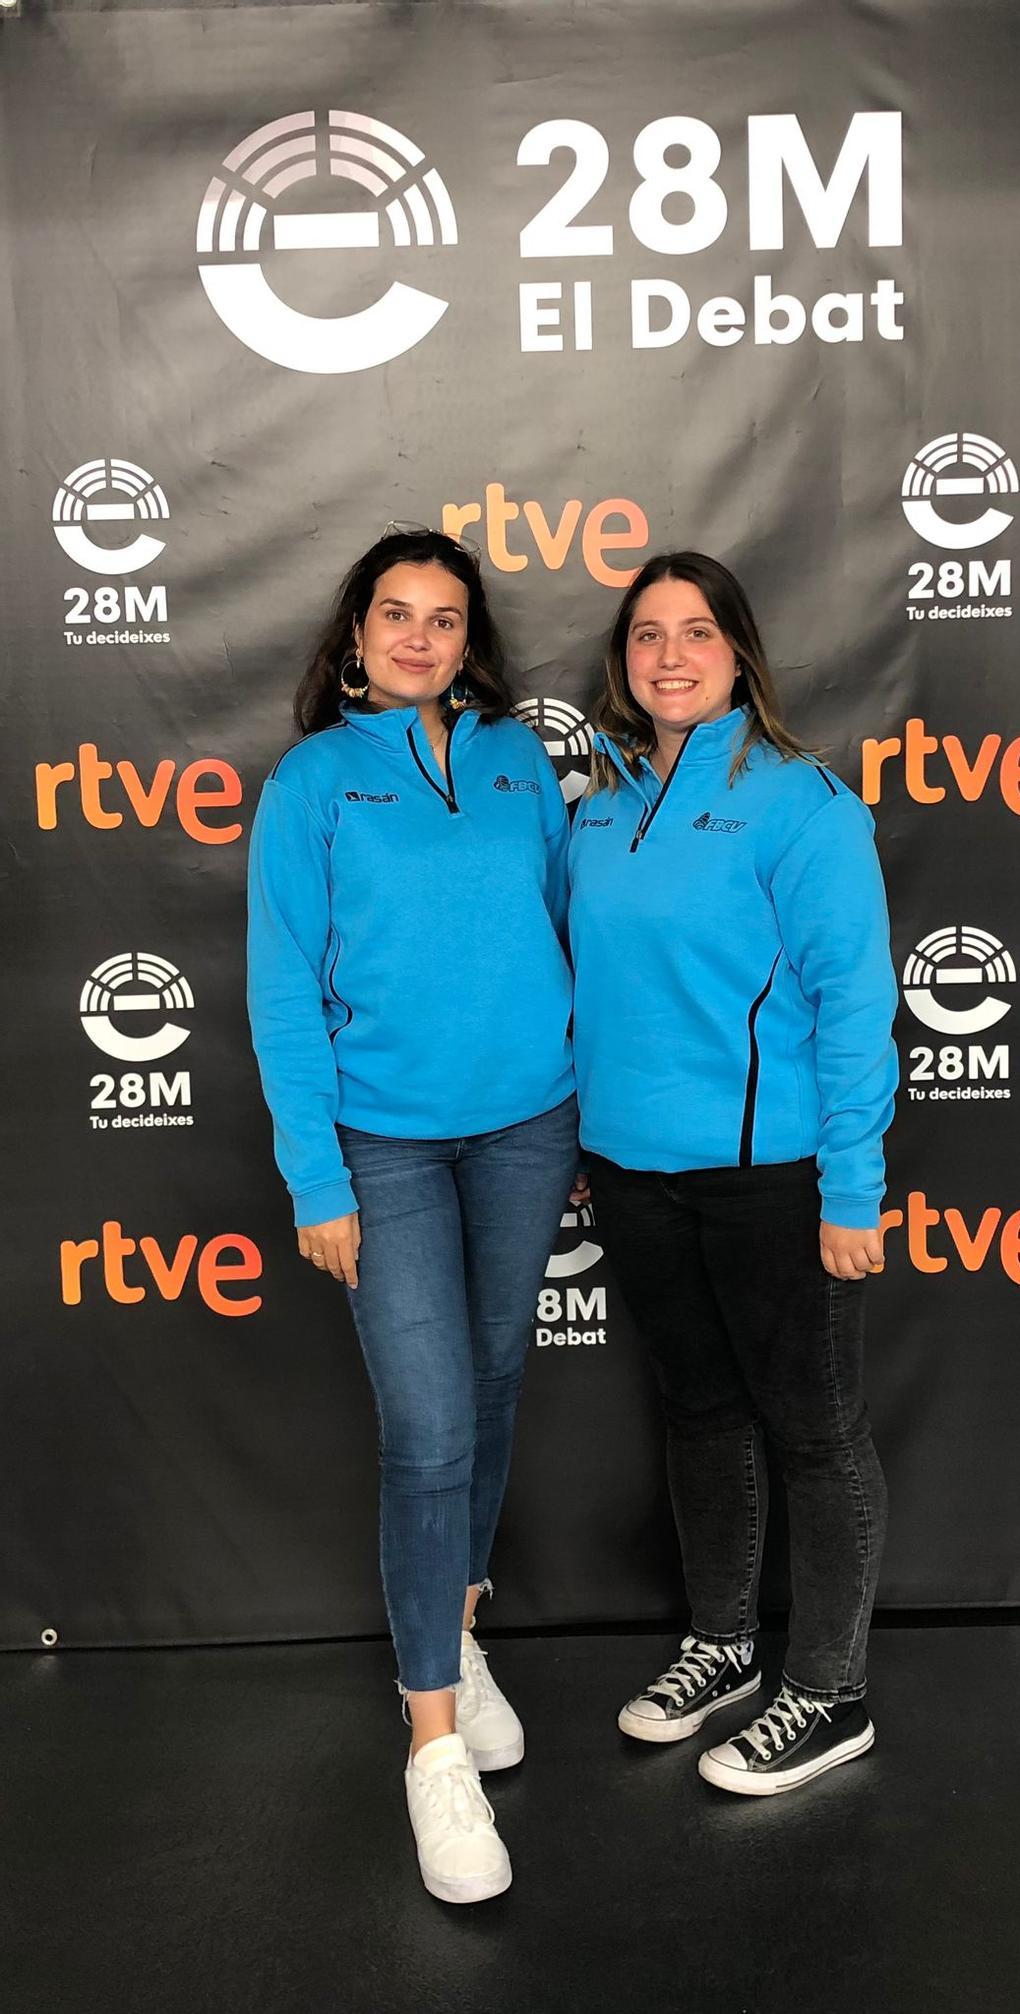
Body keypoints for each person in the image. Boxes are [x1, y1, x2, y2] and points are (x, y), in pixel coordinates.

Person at [246, 527, 579, 1902]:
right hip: (381, 1142)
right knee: (432, 1423)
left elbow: (565, 923)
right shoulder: (314, 780)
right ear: (358, 632)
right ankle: (433, 1750)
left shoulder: (517, 763)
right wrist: (316, 1173)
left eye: (445, 618)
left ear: (469, 639)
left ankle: (455, 1624)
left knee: (492, 1393)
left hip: (527, 1126)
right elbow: (279, 986)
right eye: (396, 614)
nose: (420, 637)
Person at [568, 550, 898, 1798]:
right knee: (701, 1415)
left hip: (775, 1174)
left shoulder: (801, 803)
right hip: (635, 1176)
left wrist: (853, 1188)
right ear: (623, 661)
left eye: (695, 632)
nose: (669, 656)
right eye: (647, 635)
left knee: (814, 1434)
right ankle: (724, 1645)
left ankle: (831, 1690)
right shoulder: (597, 808)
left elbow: (855, 1002)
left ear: (739, 651)